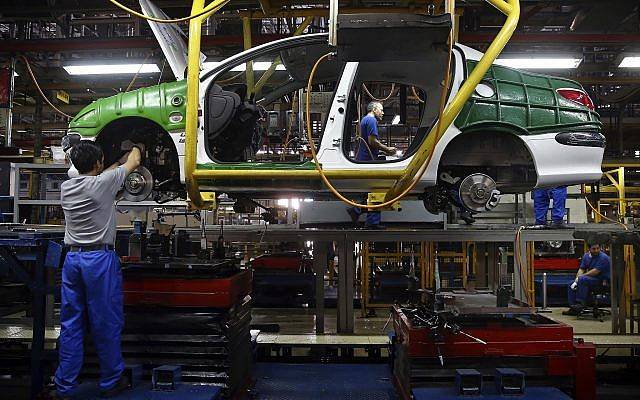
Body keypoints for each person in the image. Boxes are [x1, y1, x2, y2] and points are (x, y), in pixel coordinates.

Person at [55, 141, 141, 399]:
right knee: (106, 322)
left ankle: (65, 385)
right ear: (97, 163)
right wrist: (136, 146)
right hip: (98, 261)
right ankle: (111, 381)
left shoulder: (67, 186)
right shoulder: (103, 184)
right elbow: (134, 162)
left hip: (72, 261)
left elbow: (106, 174)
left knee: (70, 323)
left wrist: (114, 162)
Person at [347, 101, 397, 228]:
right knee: (377, 189)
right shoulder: (371, 121)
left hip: (364, 158)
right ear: (374, 109)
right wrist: (388, 150)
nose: (383, 112)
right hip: (368, 160)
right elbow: (372, 141)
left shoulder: (364, 120)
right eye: (381, 109)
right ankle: (369, 220)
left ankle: (358, 211)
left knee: (371, 191)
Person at [563, 243, 611, 316]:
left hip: (602, 281)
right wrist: (576, 279)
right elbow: (582, 269)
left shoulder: (603, 258)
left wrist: (580, 278)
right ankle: (574, 308)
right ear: (589, 249)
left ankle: (580, 303)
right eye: (594, 249)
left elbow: (595, 272)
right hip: (590, 280)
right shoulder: (586, 256)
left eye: (598, 248)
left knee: (582, 279)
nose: (596, 250)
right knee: (570, 284)